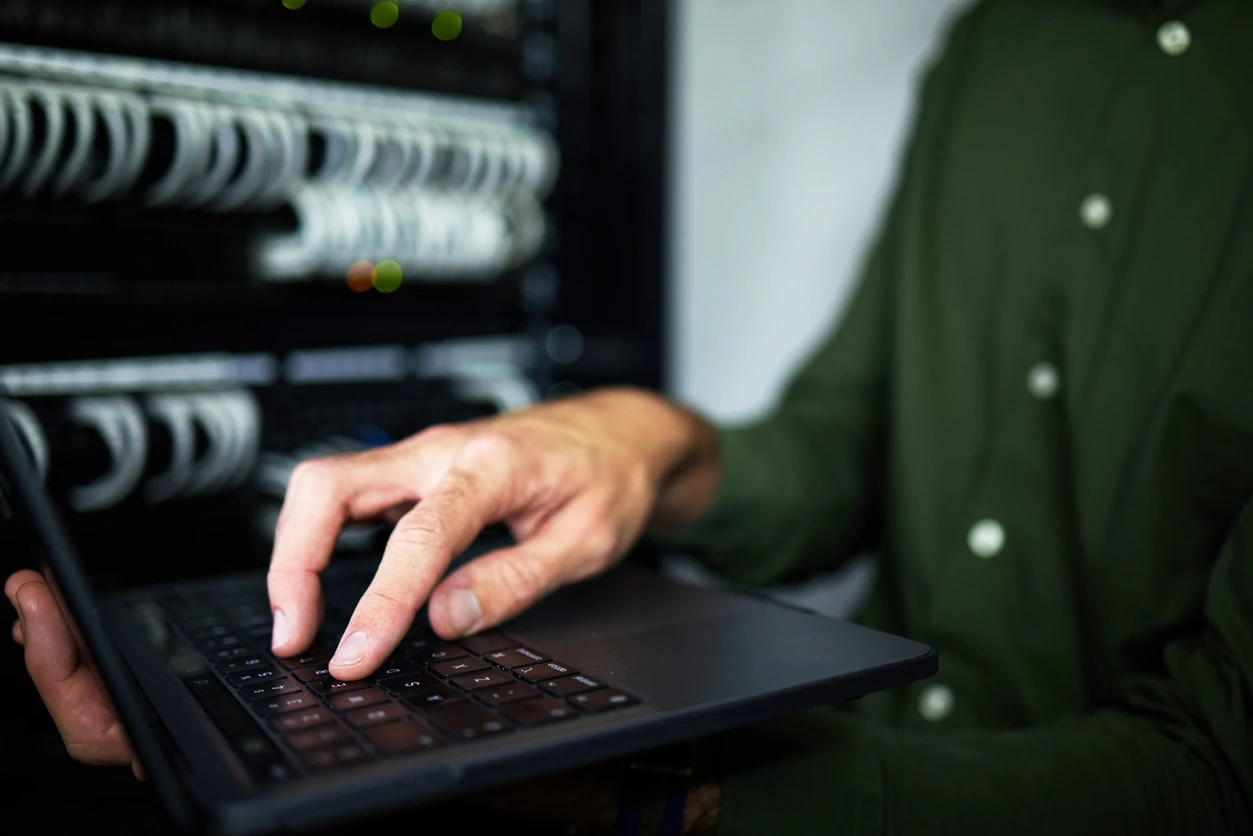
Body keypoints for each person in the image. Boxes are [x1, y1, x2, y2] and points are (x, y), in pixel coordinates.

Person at [7, 0, 1253, 832]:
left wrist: (670, 796)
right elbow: (835, 450)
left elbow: (1220, 762)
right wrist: (632, 442)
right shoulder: (1001, 41)